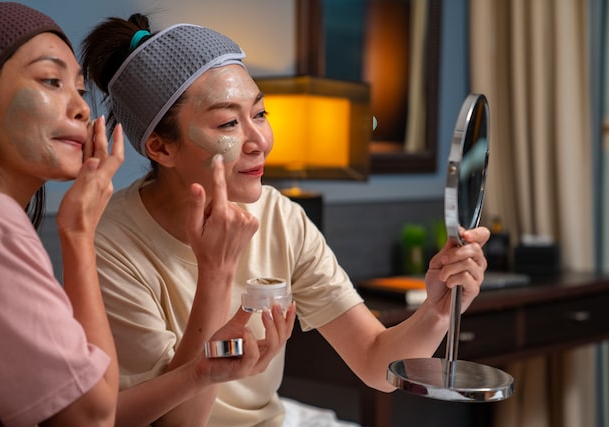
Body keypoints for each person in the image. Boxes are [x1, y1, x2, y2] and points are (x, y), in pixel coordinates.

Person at [80, 12, 491, 427]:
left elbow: (374, 361)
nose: (260, 141)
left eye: (259, 114)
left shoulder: (281, 217)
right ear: (161, 148)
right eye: (228, 123)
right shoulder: (113, 244)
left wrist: (437, 311)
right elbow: (177, 425)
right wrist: (217, 271)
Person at [0, 3, 290, 427]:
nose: (83, 110)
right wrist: (81, 231)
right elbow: (92, 414)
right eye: (51, 81)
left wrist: (202, 372)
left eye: (81, 92)